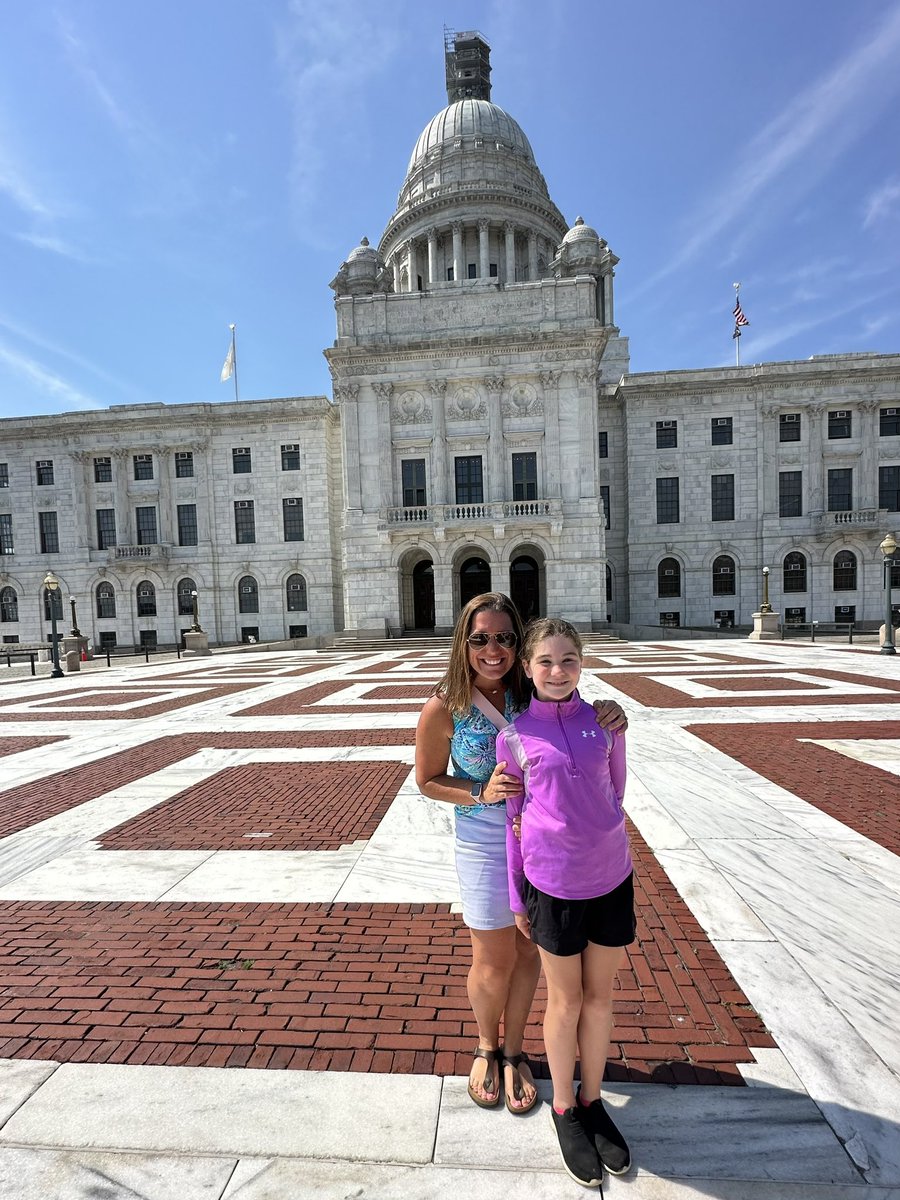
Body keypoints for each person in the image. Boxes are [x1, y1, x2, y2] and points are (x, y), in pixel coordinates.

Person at [415, 593, 627, 1115]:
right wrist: (478, 792)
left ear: (519, 645)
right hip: (485, 841)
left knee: (531, 950)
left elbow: (567, 704)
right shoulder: (444, 707)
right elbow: (426, 780)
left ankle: (515, 1052)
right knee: (491, 957)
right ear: (463, 642)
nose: (493, 649)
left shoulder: (525, 691)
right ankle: (487, 1047)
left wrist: (608, 712)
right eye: (480, 638)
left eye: (504, 638)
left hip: (540, 843)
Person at [497, 617, 634, 1188]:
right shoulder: (515, 737)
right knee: (566, 1002)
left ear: (582, 663)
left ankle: (594, 1098)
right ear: (527, 668)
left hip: (611, 876)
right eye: (546, 662)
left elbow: (616, 791)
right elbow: (512, 821)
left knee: (600, 1001)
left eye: (569, 660)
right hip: (551, 885)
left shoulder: (606, 725)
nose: (558, 671)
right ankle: (563, 1110)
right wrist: (516, 896)